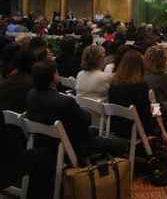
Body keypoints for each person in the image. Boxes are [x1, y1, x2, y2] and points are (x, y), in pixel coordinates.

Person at [26, 60, 127, 197]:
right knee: (121, 144)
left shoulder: (31, 95)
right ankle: (108, 187)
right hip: (75, 146)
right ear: (54, 76)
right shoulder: (64, 101)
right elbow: (85, 120)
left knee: (97, 131)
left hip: (46, 143)